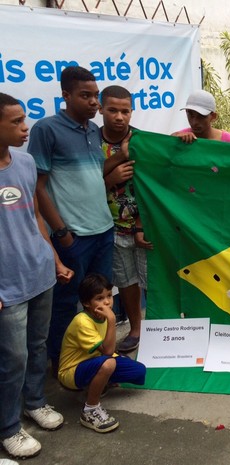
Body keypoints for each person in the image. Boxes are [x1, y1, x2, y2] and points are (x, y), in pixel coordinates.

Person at [28, 66, 120, 375]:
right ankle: (63, 363)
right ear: (65, 95)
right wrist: (61, 231)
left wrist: (121, 158)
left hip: (103, 231)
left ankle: (100, 358)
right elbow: (37, 186)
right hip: (73, 236)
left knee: (101, 301)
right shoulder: (47, 130)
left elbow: (94, 173)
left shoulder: (93, 130)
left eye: (96, 95)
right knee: (67, 303)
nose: (94, 102)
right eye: (86, 95)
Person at [0, 93, 73, 459]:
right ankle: (9, 427)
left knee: (36, 348)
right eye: (15, 122)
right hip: (6, 286)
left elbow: (35, 218)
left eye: (24, 119)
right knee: (11, 359)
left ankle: (35, 402)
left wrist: (54, 259)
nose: (25, 127)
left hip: (39, 272)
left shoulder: (26, 163)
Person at [58, 273, 146, 433]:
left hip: (96, 360)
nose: (107, 302)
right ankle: (90, 410)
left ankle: (101, 381)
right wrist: (112, 320)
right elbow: (107, 351)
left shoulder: (103, 316)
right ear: (86, 303)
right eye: (99, 298)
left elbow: (107, 351)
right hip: (72, 371)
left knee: (139, 372)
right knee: (109, 363)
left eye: (109, 296)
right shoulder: (82, 321)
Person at [100, 85, 152, 353]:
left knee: (150, 281)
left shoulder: (143, 141)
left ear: (132, 112)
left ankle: (159, 331)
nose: (119, 117)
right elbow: (86, 181)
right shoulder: (91, 141)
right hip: (112, 227)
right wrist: (111, 176)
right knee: (127, 282)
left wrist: (142, 224)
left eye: (125, 111)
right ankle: (135, 328)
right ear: (101, 109)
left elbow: (154, 185)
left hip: (144, 227)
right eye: (113, 110)